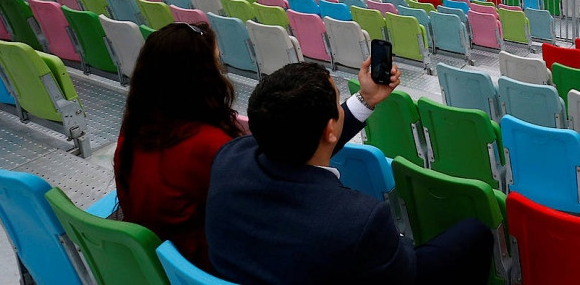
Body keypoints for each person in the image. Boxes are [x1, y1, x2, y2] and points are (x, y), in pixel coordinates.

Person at [205, 61, 493, 284]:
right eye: (338, 102)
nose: (341, 108)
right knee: (473, 233)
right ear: (328, 129)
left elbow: (304, 137)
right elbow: (408, 276)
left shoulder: (231, 158)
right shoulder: (357, 222)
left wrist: (365, 100)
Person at [114, 23, 245, 271]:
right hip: (198, 266)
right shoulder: (210, 143)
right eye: (216, 63)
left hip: (149, 260)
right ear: (202, 77)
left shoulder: (134, 128)